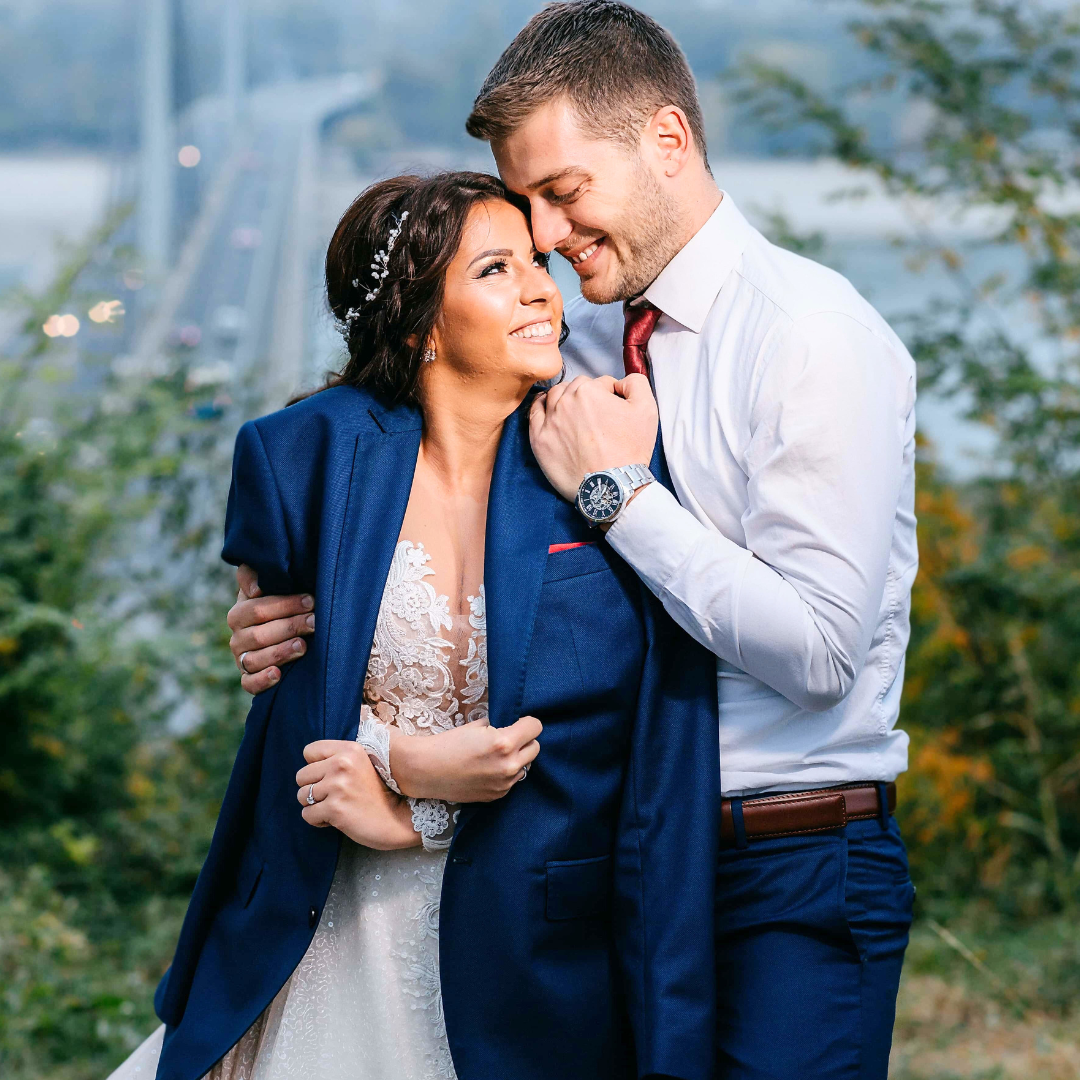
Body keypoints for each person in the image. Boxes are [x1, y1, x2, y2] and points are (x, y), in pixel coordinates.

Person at [232, 3, 919, 1078]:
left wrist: (620, 496)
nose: (546, 240)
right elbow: (412, 492)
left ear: (668, 142)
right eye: (530, 214)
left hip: (784, 856)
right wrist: (293, 609)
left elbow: (823, 655)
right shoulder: (573, 332)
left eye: (563, 194)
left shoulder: (811, 338)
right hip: (602, 867)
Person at [109, 172, 720, 1080]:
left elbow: (633, 736)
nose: (540, 288)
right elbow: (284, 722)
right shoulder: (299, 459)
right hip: (324, 928)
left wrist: (415, 799)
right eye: (496, 269)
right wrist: (398, 756)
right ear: (417, 322)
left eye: (538, 263)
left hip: (533, 950)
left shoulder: (602, 452)